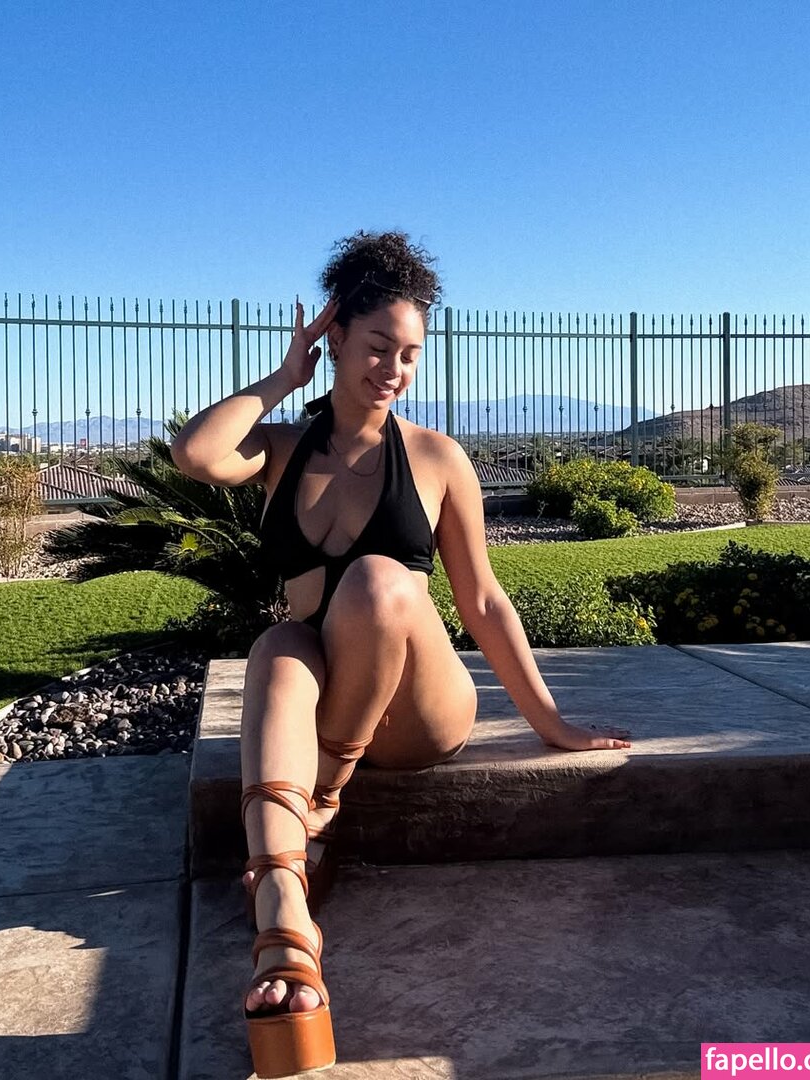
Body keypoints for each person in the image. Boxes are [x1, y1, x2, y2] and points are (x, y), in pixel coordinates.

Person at [170, 230, 632, 1078]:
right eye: (377, 347)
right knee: (279, 643)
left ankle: (322, 797)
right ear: (336, 337)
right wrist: (285, 378)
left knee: (381, 582)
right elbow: (195, 454)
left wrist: (551, 722)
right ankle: (285, 926)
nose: (393, 369)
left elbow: (482, 600)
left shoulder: (435, 458)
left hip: (420, 713)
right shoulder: (282, 450)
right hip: (325, 698)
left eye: (410, 355)